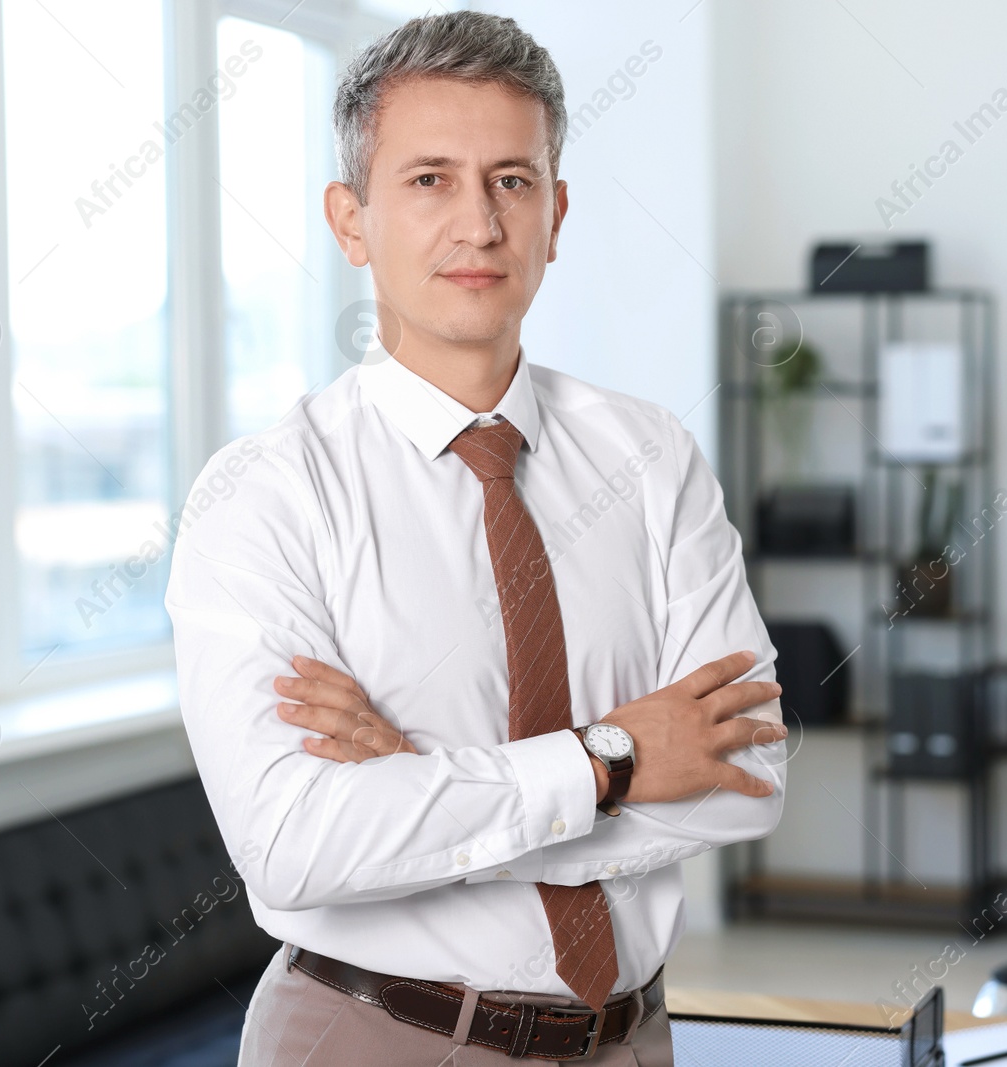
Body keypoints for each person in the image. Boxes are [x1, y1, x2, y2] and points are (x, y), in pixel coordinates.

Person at [166, 11, 787, 1064]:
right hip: (375, 1034)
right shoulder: (265, 494)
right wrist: (612, 758)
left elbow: (748, 776)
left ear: (555, 212)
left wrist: (419, 780)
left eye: (511, 179)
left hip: (630, 1038)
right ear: (350, 219)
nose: (479, 223)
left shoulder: (650, 456)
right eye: (428, 180)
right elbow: (294, 848)